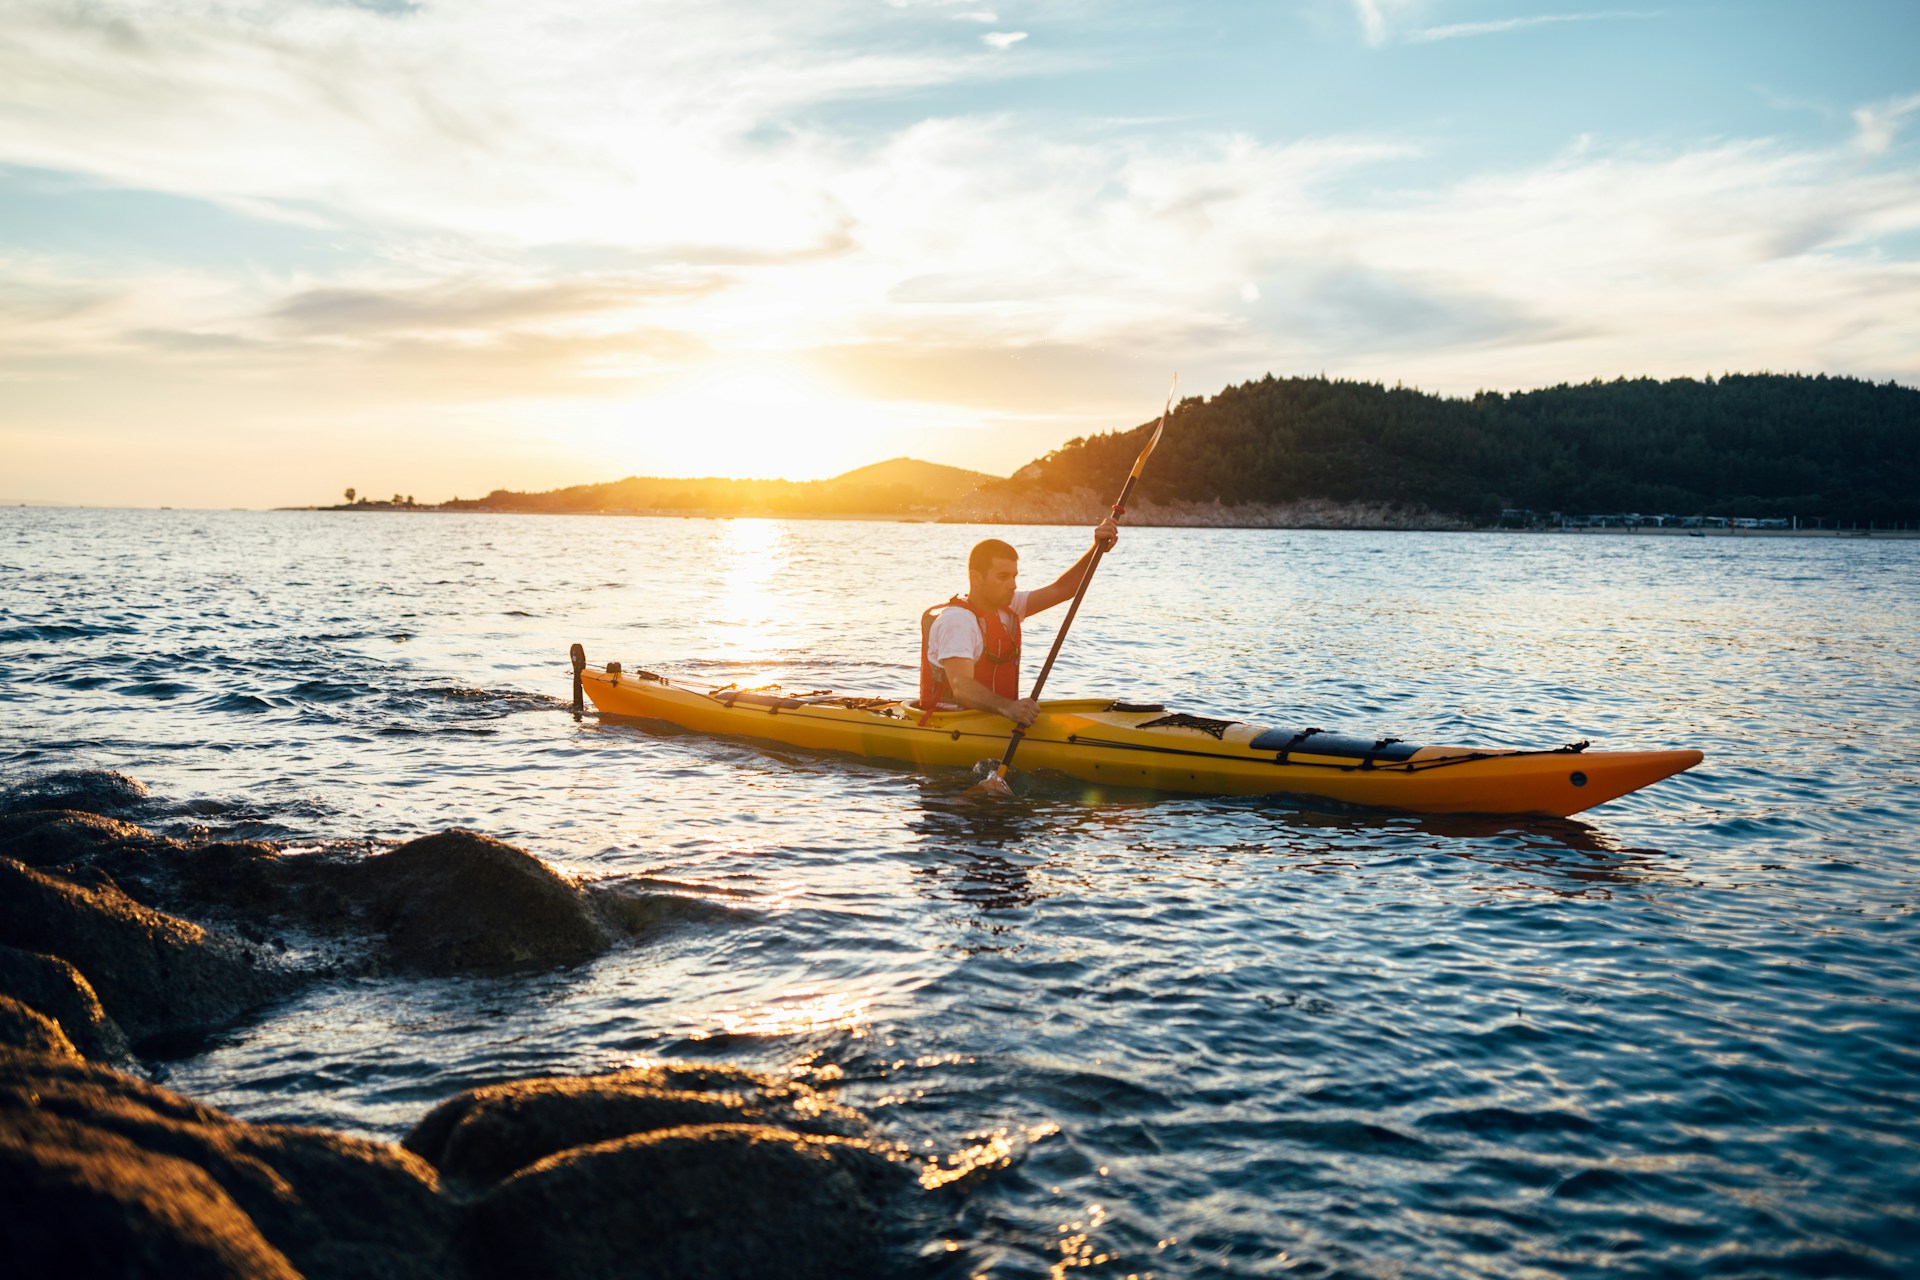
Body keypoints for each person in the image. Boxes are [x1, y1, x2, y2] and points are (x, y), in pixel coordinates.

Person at [919, 516, 1120, 727]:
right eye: (1003, 577)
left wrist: (1096, 549)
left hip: (996, 719)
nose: (1012, 585)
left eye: (1015, 576)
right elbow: (961, 687)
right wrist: (1010, 708)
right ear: (976, 577)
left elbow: (1063, 589)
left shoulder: (1008, 607)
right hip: (951, 725)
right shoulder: (957, 621)